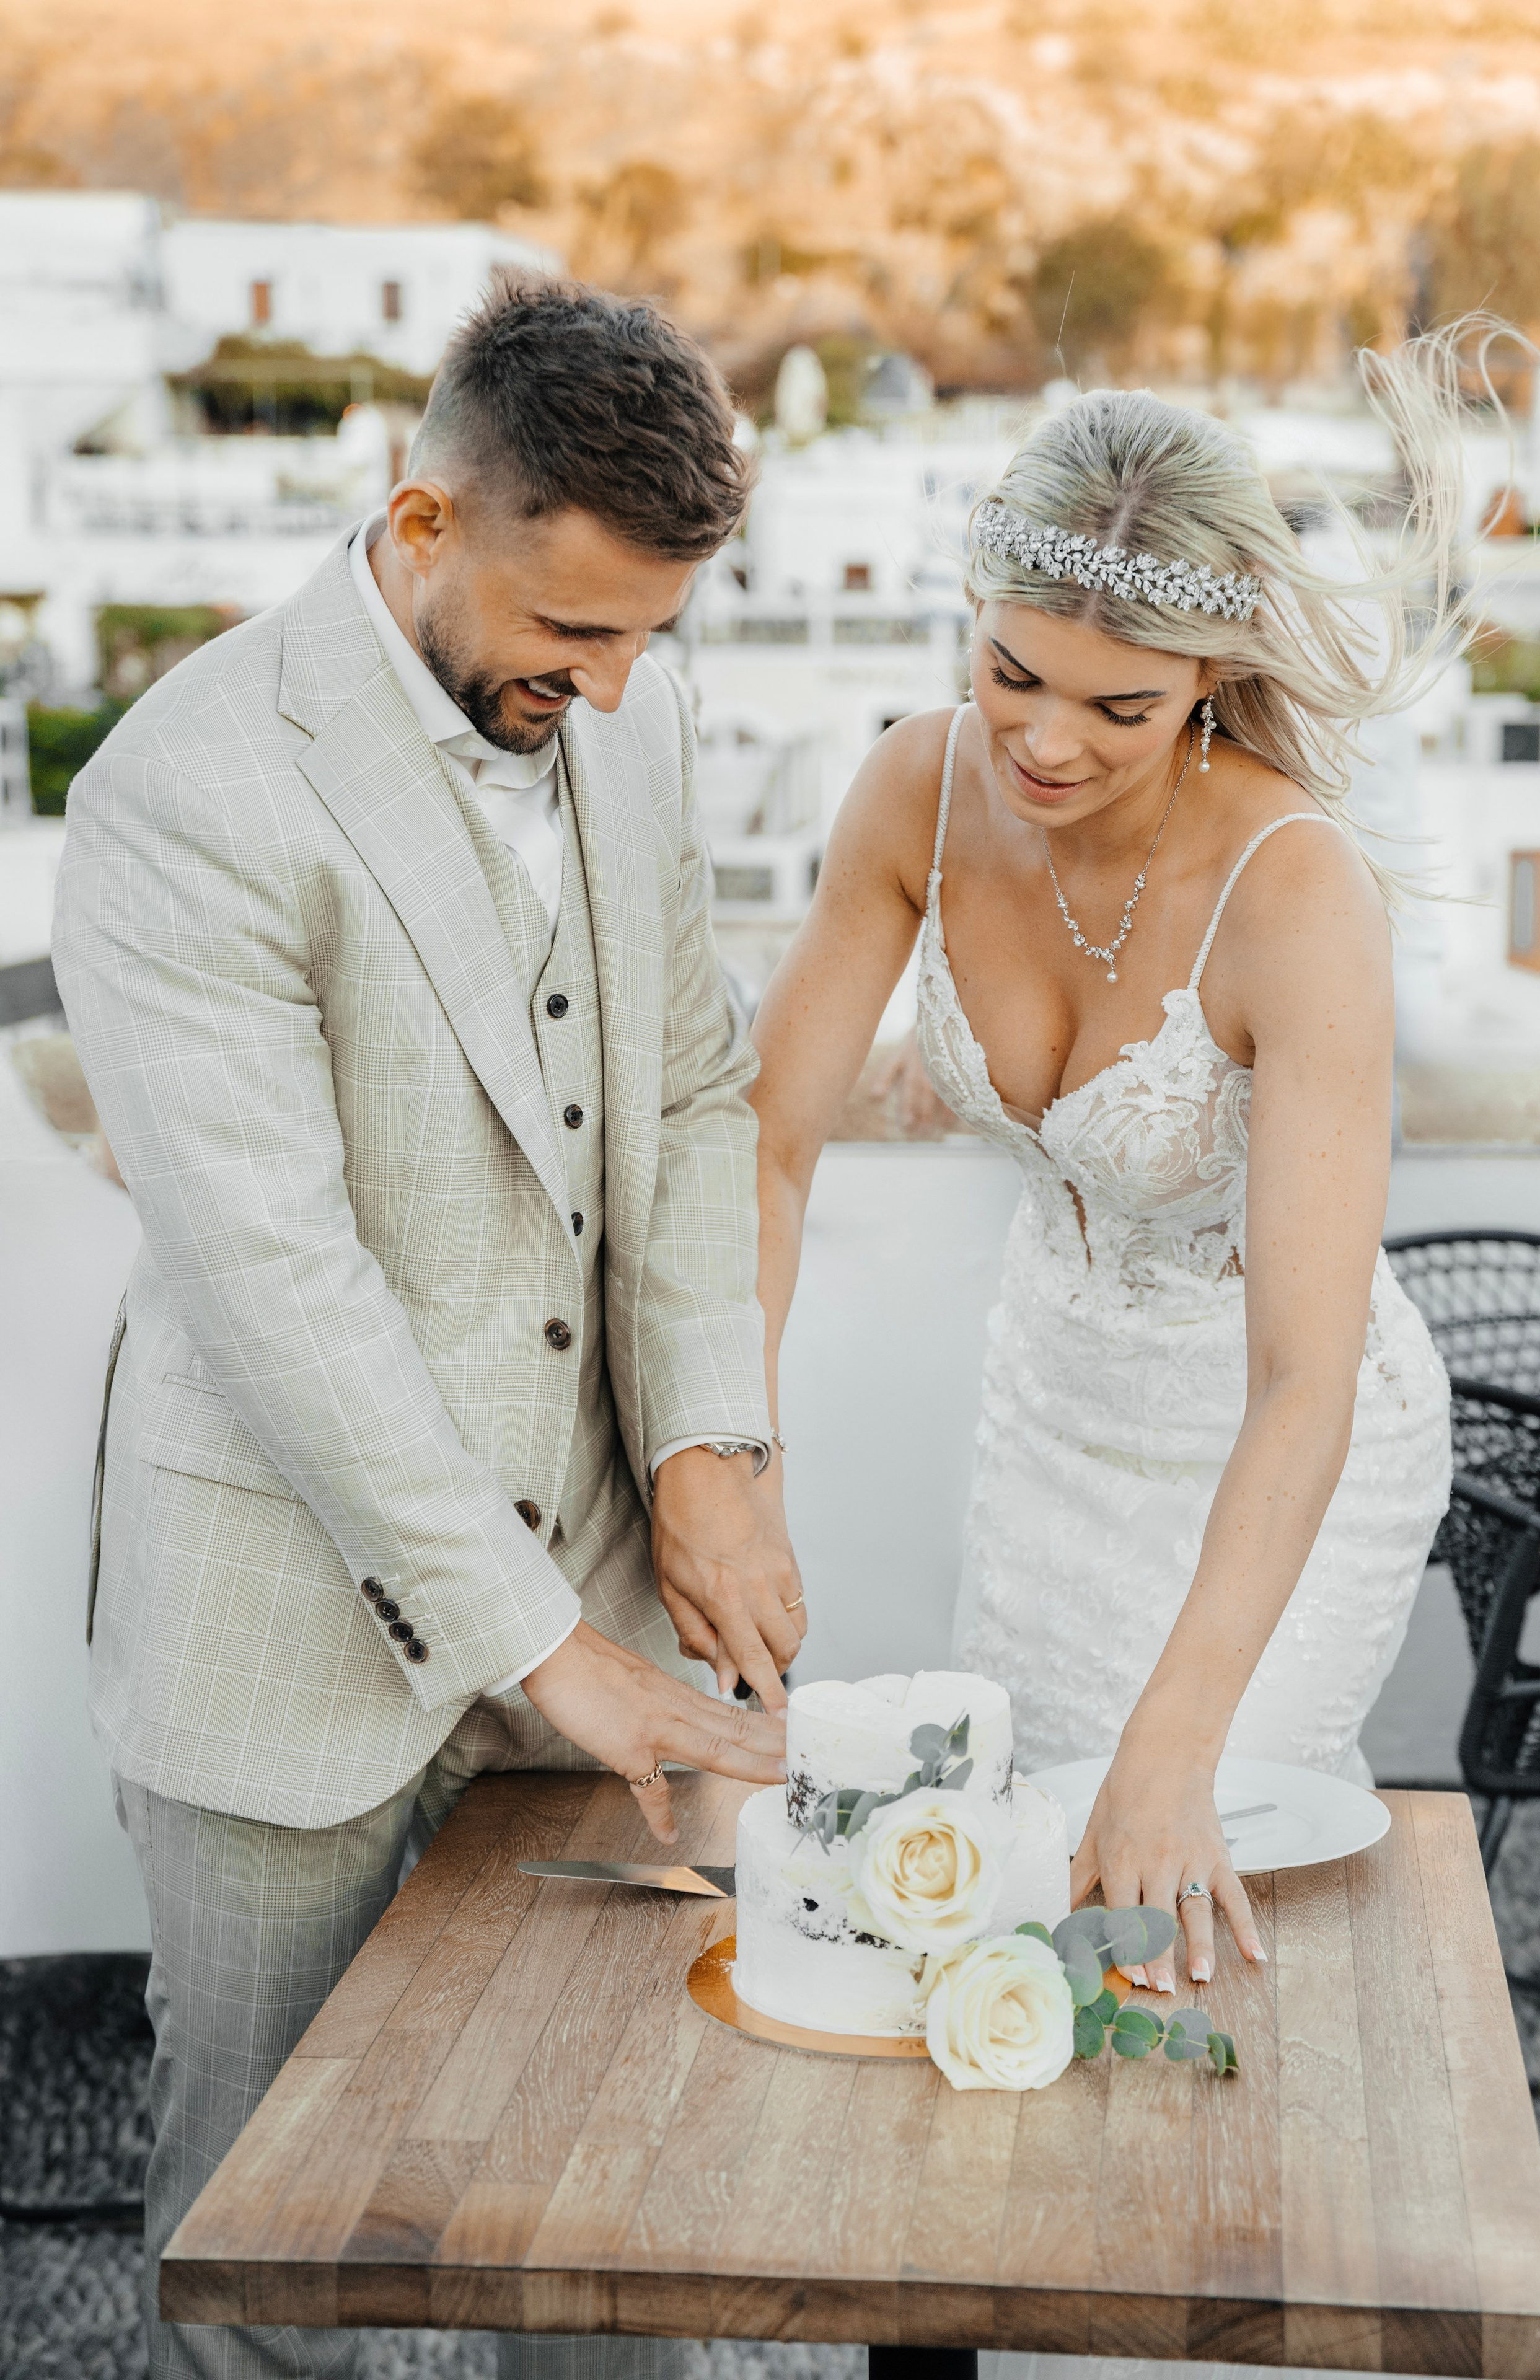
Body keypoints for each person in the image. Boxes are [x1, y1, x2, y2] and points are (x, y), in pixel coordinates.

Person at [53, 275, 804, 2380]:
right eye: (573, 634)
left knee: (598, 2195)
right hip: (276, 1625)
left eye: (652, 635)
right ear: (416, 527)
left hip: (595, 1569)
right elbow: (273, 1281)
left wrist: (707, 1455)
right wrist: (547, 1655)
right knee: (267, 2229)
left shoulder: (621, 730)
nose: (619, 681)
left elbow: (684, 1091)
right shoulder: (181, 793)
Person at [749, 331, 1476, 1998]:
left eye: (1120, 707)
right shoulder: (912, 789)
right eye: (1012, 673)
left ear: (1210, 678)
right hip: (1052, 1408)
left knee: (1175, 1893)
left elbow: (1304, 1377)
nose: (1048, 744)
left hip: (1288, 1444)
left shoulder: (1297, 893)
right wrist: (739, 1455)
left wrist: (1178, 1735)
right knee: (1013, 1898)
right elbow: (771, 1147)